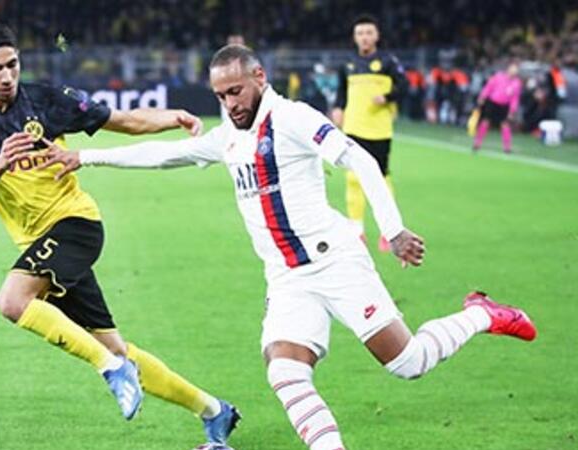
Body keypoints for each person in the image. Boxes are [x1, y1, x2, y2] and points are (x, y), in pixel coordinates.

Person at [42, 44, 537, 450]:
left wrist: (394, 229)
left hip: (335, 261)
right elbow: (165, 154)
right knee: (284, 371)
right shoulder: (228, 138)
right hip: (287, 277)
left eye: (236, 90)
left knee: (408, 363)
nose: (230, 103)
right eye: (220, 95)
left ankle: (481, 313)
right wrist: (85, 157)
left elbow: (360, 160)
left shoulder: (293, 117)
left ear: (259, 76)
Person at [0, 22, 239, 446]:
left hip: (75, 224)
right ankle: (214, 411)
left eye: (13, 64)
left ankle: (112, 370)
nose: (7, 76)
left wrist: (171, 117)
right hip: (38, 244)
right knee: (116, 347)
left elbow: (122, 120)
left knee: (12, 301)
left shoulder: (46, 100)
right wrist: (2, 161)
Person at [331, 14, 407, 253]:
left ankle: (389, 231)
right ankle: (357, 230)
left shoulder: (388, 62)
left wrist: (387, 97)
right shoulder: (347, 64)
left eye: (368, 33)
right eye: (360, 33)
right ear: (355, 37)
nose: (364, 37)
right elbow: (341, 93)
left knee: (381, 178)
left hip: (380, 129)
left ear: (376, 35)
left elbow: (405, 85)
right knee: (353, 177)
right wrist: (338, 109)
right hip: (353, 127)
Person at [472, 60, 523, 154]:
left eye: (516, 70)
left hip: (504, 106)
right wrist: (482, 97)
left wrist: (512, 110)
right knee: (485, 122)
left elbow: (515, 98)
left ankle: (507, 147)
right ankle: (477, 142)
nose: (514, 71)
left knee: (505, 125)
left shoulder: (517, 83)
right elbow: (488, 87)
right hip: (492, 103)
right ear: (508, 68)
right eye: (512, 68)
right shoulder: (498, 76)